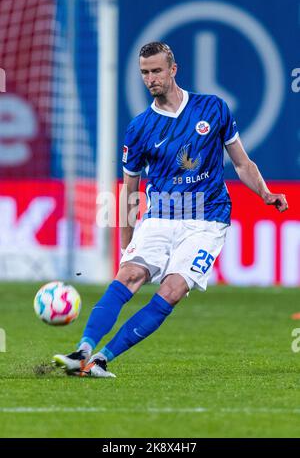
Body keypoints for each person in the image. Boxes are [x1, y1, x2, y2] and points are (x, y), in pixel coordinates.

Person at [53, 42, 288, 378]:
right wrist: (126, 239)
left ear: (173, 69)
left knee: (173, 290)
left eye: (157, 71)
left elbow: (241, 163)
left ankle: (102, 359)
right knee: (128, 276)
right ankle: (83, 350)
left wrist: (264, 193)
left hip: (207, 220)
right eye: (145, 73)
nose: (151, 79)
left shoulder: (213, 108)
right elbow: (130, 189)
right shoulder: (139, 127)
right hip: (161, 216)